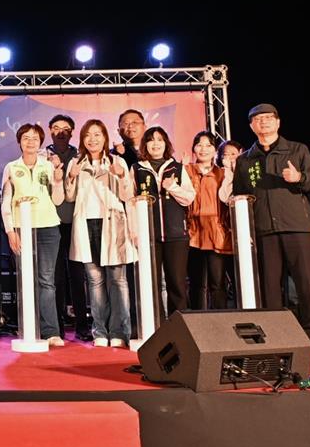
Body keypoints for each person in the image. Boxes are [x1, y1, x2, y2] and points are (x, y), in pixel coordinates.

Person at [224, 103, 310, 352]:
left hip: (298, 227)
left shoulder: (298, 150)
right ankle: (277, 337)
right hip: (264, 230)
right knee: (270, 287)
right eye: (258, 119)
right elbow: (240, 197)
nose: (264, 122)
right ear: (251, 126)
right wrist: (245, 231)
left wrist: (299, 178)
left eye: (269, 118)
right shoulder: (245, 160)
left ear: (278, 122)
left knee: (306, 284)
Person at [64, 119, 135, 347]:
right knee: (94, 281)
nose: (92, 139)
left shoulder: (117, 161)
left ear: (105, 137)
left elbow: (127, 196)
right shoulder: (76, 162)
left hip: (112, 223)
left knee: (117, 280)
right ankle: (100, 332)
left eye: (97, 134)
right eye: (88, 135)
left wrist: (121, 176)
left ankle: (119, 332)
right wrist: (71, 176)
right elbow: (69, 197)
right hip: (86, 224)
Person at [1, 124, 66, 346]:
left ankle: (51, 332)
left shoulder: (48, 166)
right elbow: (6, 202)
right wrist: (10, 231)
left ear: (40, 142)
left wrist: (59, 180)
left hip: (48, 226)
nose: (30, 142)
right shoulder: (11, 167)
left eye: (35, 138)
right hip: (22, 228)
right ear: (19, 141)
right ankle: (28, 328)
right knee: (26, 279)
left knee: (46, 281)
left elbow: (58, 200)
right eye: (26, 138)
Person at [131, 126, 196, 318]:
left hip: (176, 234)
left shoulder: (177, 167)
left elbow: (189, 198)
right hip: (148, 235)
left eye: (160, 140)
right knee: (151, 283)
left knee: (177, 283)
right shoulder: (137, 169)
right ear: (145, 145)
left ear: (166, 143)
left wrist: (172, 187)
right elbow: (130, 202)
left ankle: (179, 325)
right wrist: (135, 231)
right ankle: (155, 325)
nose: (156, 144)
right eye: (151, 140)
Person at [48, 114, 92, 341]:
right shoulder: (42, 157)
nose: (61, 132)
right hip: (51, 223)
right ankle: (55, 326)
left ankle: (82, 325)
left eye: (66, 128)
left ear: (73, 132)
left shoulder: (82, 156)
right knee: (55, 277)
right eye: (56, 128)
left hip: (77, 221)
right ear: (50, 131)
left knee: (78, 275)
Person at [185, 132, 232, 310]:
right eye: (199, 145)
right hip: (193, 232)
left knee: (217, 282)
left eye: (208, 145)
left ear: (215, 150)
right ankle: (196, 320)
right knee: (196, 283)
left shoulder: (222, 173)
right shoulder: (186, 170)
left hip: (216, 231)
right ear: (193, 149)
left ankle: (220, 320)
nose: (203, 149)